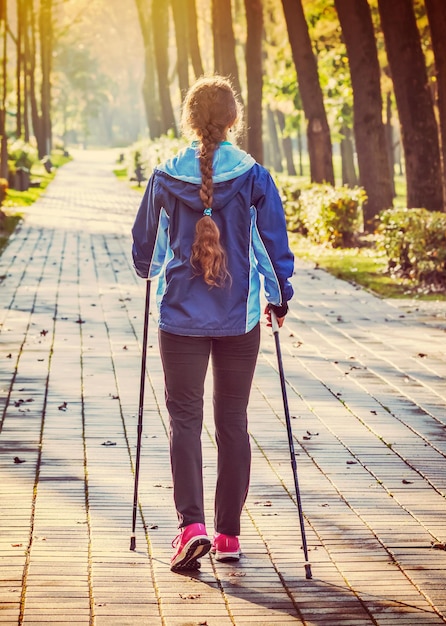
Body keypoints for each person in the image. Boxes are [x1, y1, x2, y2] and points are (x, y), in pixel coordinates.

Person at [131, 75, 294, 572]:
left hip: (179, 318)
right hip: (238, 318)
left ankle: (191, 527)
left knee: (185, 421)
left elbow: (146, 257)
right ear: (233, 119)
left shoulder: (164, 176)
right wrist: (278, 295)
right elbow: (270, 245)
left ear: (190, 118)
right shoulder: (254, 176)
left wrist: (153, 265)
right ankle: (227, 536)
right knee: (233, 422)